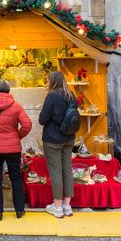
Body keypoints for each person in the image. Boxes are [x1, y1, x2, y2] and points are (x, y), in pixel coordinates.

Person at [0, 80, 32, 221]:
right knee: (15, 177)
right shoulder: (15, 105)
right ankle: (19, 210)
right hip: (12, 148)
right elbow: (27, 125)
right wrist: (16, 136)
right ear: (9, 91)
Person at [39, 71, 77, 219]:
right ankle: (67, 205)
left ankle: (57, 206)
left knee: (56, 171)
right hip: (69, 138)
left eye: (48, 80)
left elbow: (42, 119)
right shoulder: (71, 95)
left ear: (52, 81)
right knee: (67, 169)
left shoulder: (52, 96)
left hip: (53, 139)